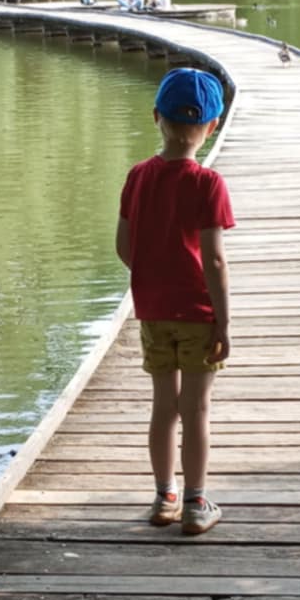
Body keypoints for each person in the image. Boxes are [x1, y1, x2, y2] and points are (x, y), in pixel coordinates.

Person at [116, 68, 233, 535]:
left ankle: (163, 495)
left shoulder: (138, 177)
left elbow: (124, 247)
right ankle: (195, 503)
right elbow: (215, 262)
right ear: (213, 125)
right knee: (197, 408)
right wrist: (223, 323)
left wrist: (153, 279)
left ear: (155, 118)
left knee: (163, 405)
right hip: (199, 314)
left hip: (153, 311)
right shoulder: (208, 184)